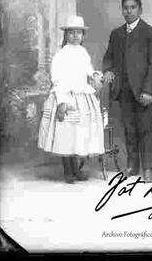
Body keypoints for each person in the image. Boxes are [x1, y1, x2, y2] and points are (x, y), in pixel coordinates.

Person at [38, 15, 105, 184]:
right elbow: (57, 80)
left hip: (82, 97)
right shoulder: (61, 55)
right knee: (65, 134)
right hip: (66, 96)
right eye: (72, 33)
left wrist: (96, 75)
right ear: (66, 35)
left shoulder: (82, 52)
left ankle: (76, 169)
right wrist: (62, 102)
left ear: (83, 35)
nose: (75, 36)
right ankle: (68, 170)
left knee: (77, 134)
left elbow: (88, 70)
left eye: (79, 33)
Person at [103, 0, 152, 183]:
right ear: (122, 10)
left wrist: (148, 90)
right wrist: (108, 70)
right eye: (125, 8)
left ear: (140, 10)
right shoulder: (116, 34)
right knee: (129, 129)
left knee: (145, 130)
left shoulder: (151, 33)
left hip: (143, 92)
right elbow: (109, 57)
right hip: (123, 91)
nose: (128, 11)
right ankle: (132, 166)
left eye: (132, 8)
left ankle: (147, 169)